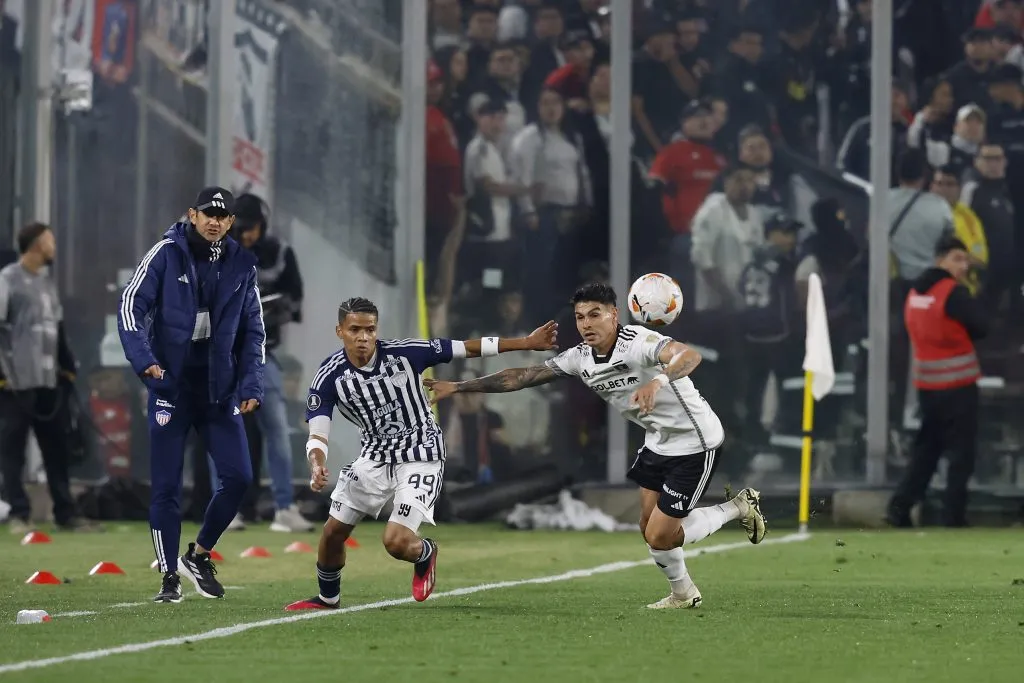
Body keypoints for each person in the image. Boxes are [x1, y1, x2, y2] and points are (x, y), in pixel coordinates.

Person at [426, 283, 767, 610]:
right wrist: (457, 387)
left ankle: (737, 508)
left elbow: (688, 355)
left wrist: (658, 382)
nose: (586, 324)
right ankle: (683, 594)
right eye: (580, 317)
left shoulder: (639, 342)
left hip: (695, 441)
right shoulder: (579, 357)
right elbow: (523, 376)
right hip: (658, 440)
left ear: (615, 315)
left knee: (661, 536)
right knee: (647, 528)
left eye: (595, 314)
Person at [284, 298, 557, 610]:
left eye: (370, 329)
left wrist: (526, 342)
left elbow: (467, 347)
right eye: (355, 329)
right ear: (340, 331)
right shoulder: (329, 376)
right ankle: (327, 598)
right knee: (333, 532)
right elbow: (318, 433)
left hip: (420, 452)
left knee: (396, 542)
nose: (363, 337)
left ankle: (424, 552)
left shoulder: (405, 352)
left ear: (377, 331)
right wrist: (317, 463)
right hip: (375, 456)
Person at [118, 187, 266, 604]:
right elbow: (130, 304)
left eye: (223, 215)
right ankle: (168, 577)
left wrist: (251, 383)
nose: (215, 221)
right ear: (192, 215)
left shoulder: (241, 263)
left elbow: (254, 330)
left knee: (239, 477)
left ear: (231, 222)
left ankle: (198, 555)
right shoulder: (166, 252)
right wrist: (144, 359)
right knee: (166, 487)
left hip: (218, 390)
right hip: (172, 386)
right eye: (208, 213)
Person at [0, 223, 95, 533]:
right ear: (38, 244)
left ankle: (65, 513)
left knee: (56, 447)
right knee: (13, 448)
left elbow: (58, 329)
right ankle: (18, 513)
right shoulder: (7, 279)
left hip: (48, 380)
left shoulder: (47, 284)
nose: (54, 247)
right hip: (15, 381)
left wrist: (67, 365)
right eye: (51, 241)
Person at [887, 237, 987, 528]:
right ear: (940, 260)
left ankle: (900, 506)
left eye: (966, 260)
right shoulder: (954, 293)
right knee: (961, 454)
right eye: (958, 259)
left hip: (928, 385)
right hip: (958, 384)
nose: (964, 266)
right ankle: (953, 515)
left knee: (927, 449)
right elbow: (982, 326)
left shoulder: (915, 291)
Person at [230, 193, 313, 533]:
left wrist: (274, 309)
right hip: (224, 355)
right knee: (226, 431)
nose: (246, 235)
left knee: (277, 428)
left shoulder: (278, 253)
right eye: (241, 228)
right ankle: (227, 509)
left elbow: (296, 298)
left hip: (262, 353)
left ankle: (284, 507)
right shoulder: (218, 251)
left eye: (252, 228)